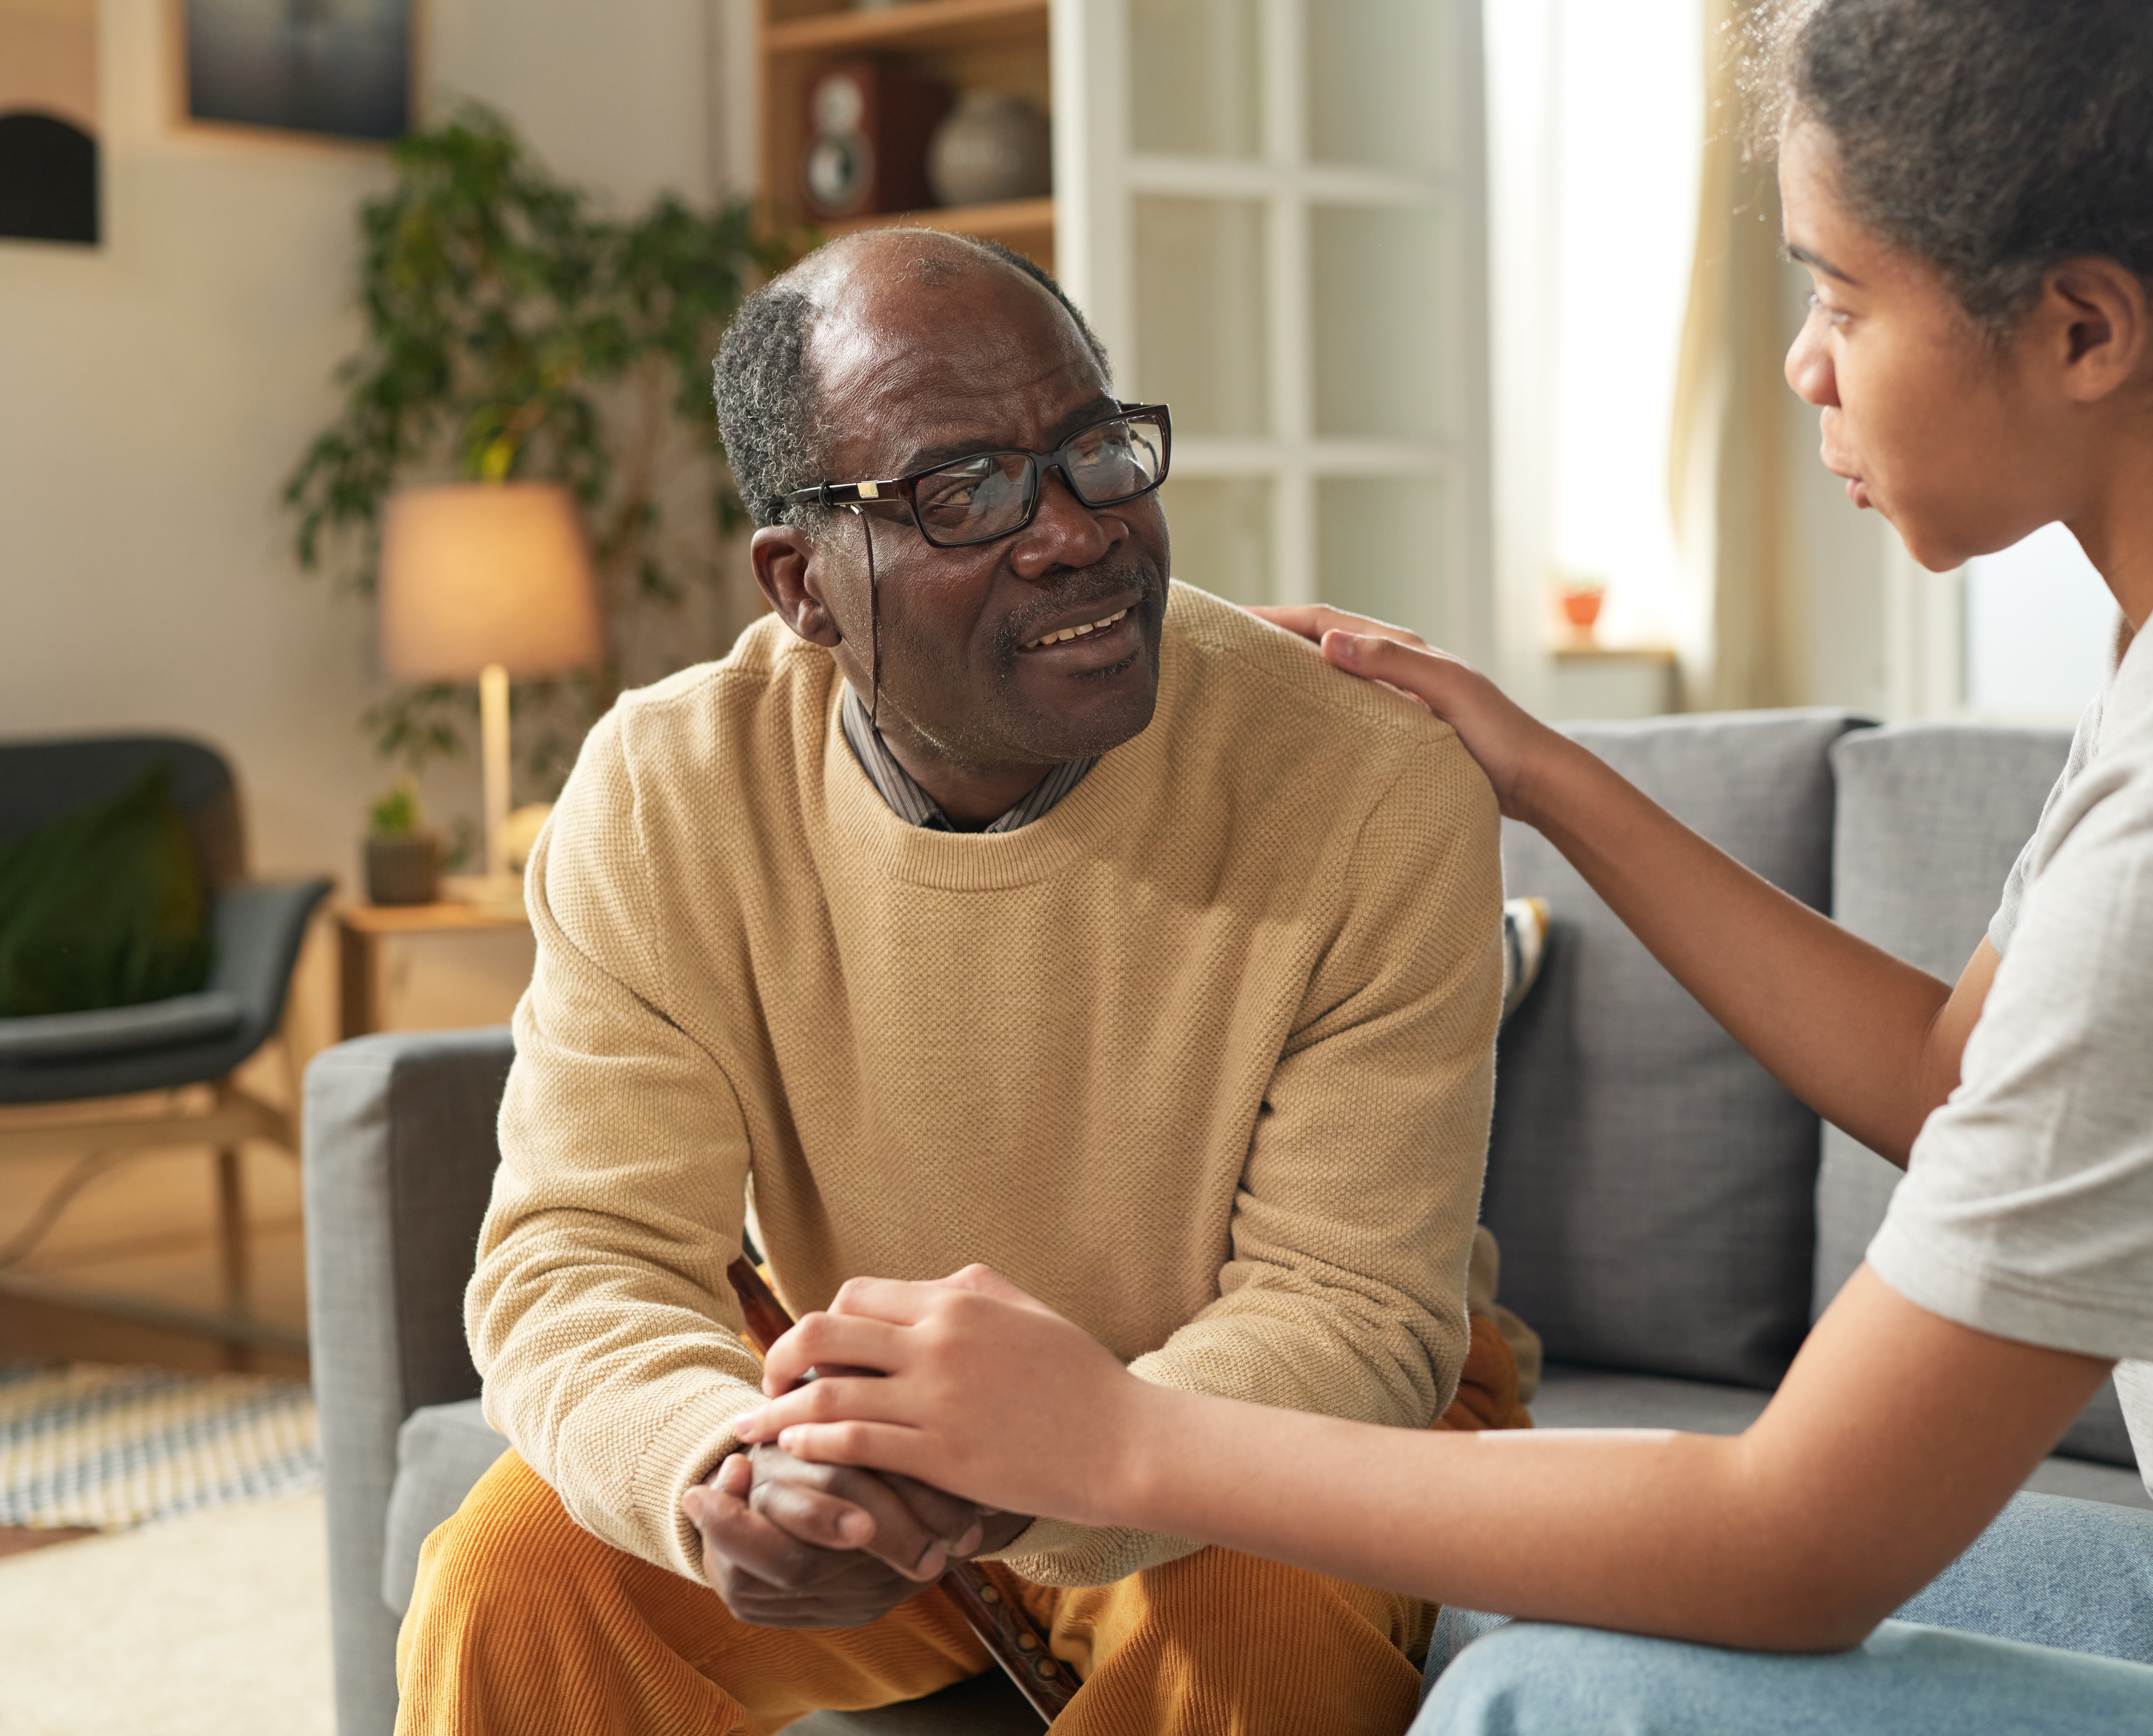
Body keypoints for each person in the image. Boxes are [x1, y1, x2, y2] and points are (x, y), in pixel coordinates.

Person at [726, 2, 2153, 1732]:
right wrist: (1553, 780)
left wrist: (1115, 1437)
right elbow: (1974, 1087)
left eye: (1844, 301)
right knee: (1488, 1600)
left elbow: (1795, 1545)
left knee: (1549, 1704)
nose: (1803, 369)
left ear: (2084, 329)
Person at [394, 227, 1538, 1736]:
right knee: (512, 1578)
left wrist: (1044, 1452)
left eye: (1098, 453)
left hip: (1274, 1437)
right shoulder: (667, 789)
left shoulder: (1371, 785)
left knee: (1255, 1608)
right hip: (883, 1446)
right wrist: (729, 1463)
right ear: (803, 584)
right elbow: (579, 1250)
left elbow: (1353, 1314)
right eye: (965, 489)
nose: (1077, 531)